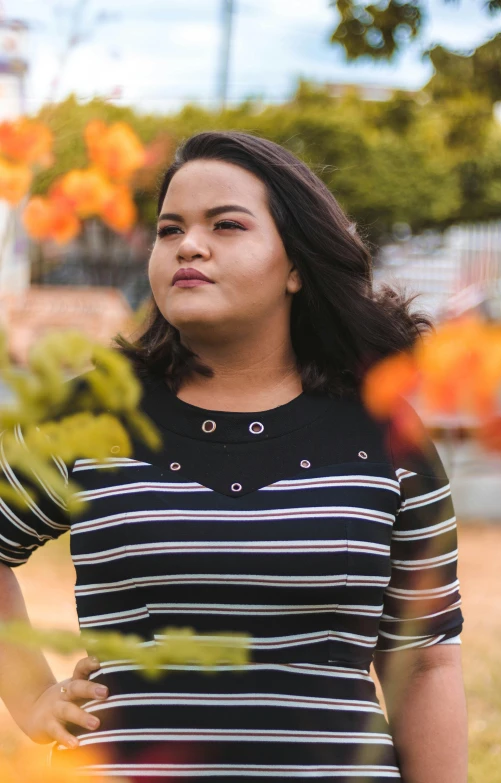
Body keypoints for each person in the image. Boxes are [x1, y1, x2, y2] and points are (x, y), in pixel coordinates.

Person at [0, 131, 467, 782]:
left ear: (296, 264)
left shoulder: (383, 431)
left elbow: (426, 660)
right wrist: (30, 698)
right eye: (169, 230)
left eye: (226, 224)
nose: (189, 244)